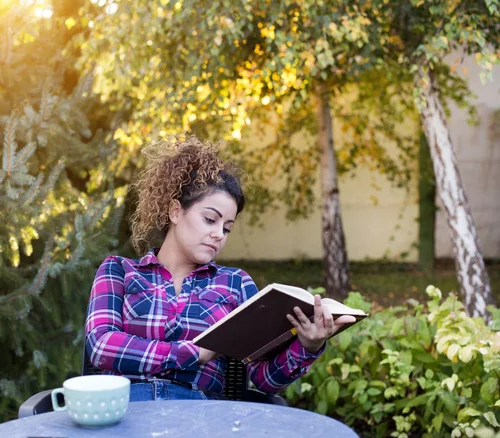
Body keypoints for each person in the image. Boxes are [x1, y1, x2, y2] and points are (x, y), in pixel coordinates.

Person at [84, 136, 354, 402]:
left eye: (226, 228)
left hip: (200, 418)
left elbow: (263, 379)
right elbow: (101, 346)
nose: (218, 235)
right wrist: (194, 352)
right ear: (175, 212)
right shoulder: (119, 271)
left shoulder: (235, 283)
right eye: (210, 219)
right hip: (126, 411)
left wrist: (309, 345)